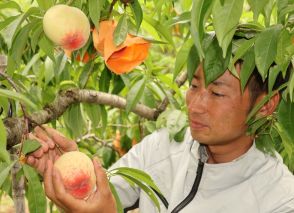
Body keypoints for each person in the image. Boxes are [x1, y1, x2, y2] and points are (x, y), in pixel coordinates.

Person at [27, 61, 294, 213]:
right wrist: (76, 172)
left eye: (217, 93)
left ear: (266, 105)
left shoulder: (279, 200)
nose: (195, 104)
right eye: (194, 86)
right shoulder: (165, 146)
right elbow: (103, 196)